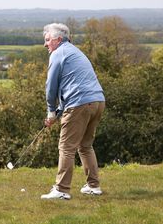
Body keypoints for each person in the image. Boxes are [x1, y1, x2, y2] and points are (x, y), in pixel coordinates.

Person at [40, 23, 106, 200]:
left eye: (47, 40)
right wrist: (58, 112)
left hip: (80, 103)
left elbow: (51, 86)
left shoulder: (58, 53)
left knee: (66, 147)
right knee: (85, 146)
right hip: (98, 101)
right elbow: (73, 86)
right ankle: (93, 186)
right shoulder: (74, 51)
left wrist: (51, 112)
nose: (45, 45)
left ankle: (61, 190)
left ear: (58, 40)